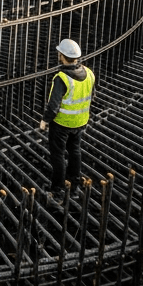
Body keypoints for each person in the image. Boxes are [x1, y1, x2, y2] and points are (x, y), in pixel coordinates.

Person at [39, 38, 96, 202]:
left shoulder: (62, 78)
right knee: (75, 152)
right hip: (80, 122)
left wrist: (45, 121)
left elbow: (53, 106)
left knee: (58, 156)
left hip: (61, 124)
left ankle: (57, 192)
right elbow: (92, 95)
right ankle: (75, 187)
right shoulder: (89, 73)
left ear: (62, 56)